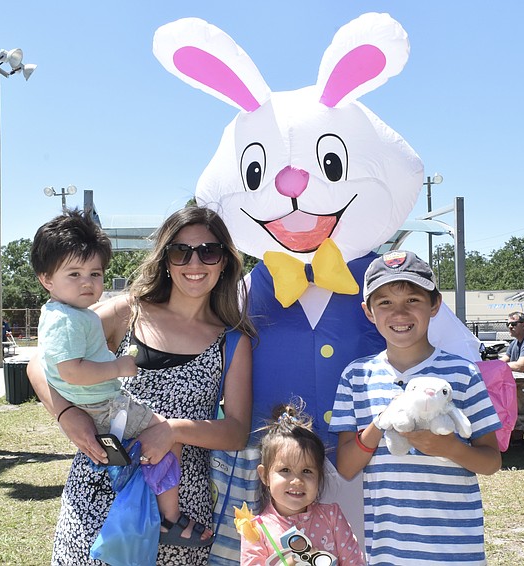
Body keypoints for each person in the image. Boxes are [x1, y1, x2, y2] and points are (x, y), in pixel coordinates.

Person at [26, 206, 255, 566]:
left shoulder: (232, 342)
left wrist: (172, 431)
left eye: (209, 251)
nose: (195, 264)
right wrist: (67, 414)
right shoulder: (126, 312)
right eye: (181, 251)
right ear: (165, 259)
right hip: (100, 491)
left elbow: (236, 432)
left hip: (178, 513)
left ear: (224, 261)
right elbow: (40, 363)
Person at [329, 250, 502, 565]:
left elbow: (491, 462)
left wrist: (448, 447)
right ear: (368, 311)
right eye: (385, 303)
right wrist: (381, 421)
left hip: (455, 550)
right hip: (387, 551)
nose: (399, 313)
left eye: (412, 300)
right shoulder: (356, 376)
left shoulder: (463, 373)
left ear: (434, 304)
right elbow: (346, 466)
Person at [240, 401, 365, 565]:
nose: (297, 481)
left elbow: (355, 562)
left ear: (319, 476)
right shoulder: (256, 530)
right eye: (285, 470)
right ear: (264, 476)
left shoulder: (332, 517)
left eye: (307, 471)